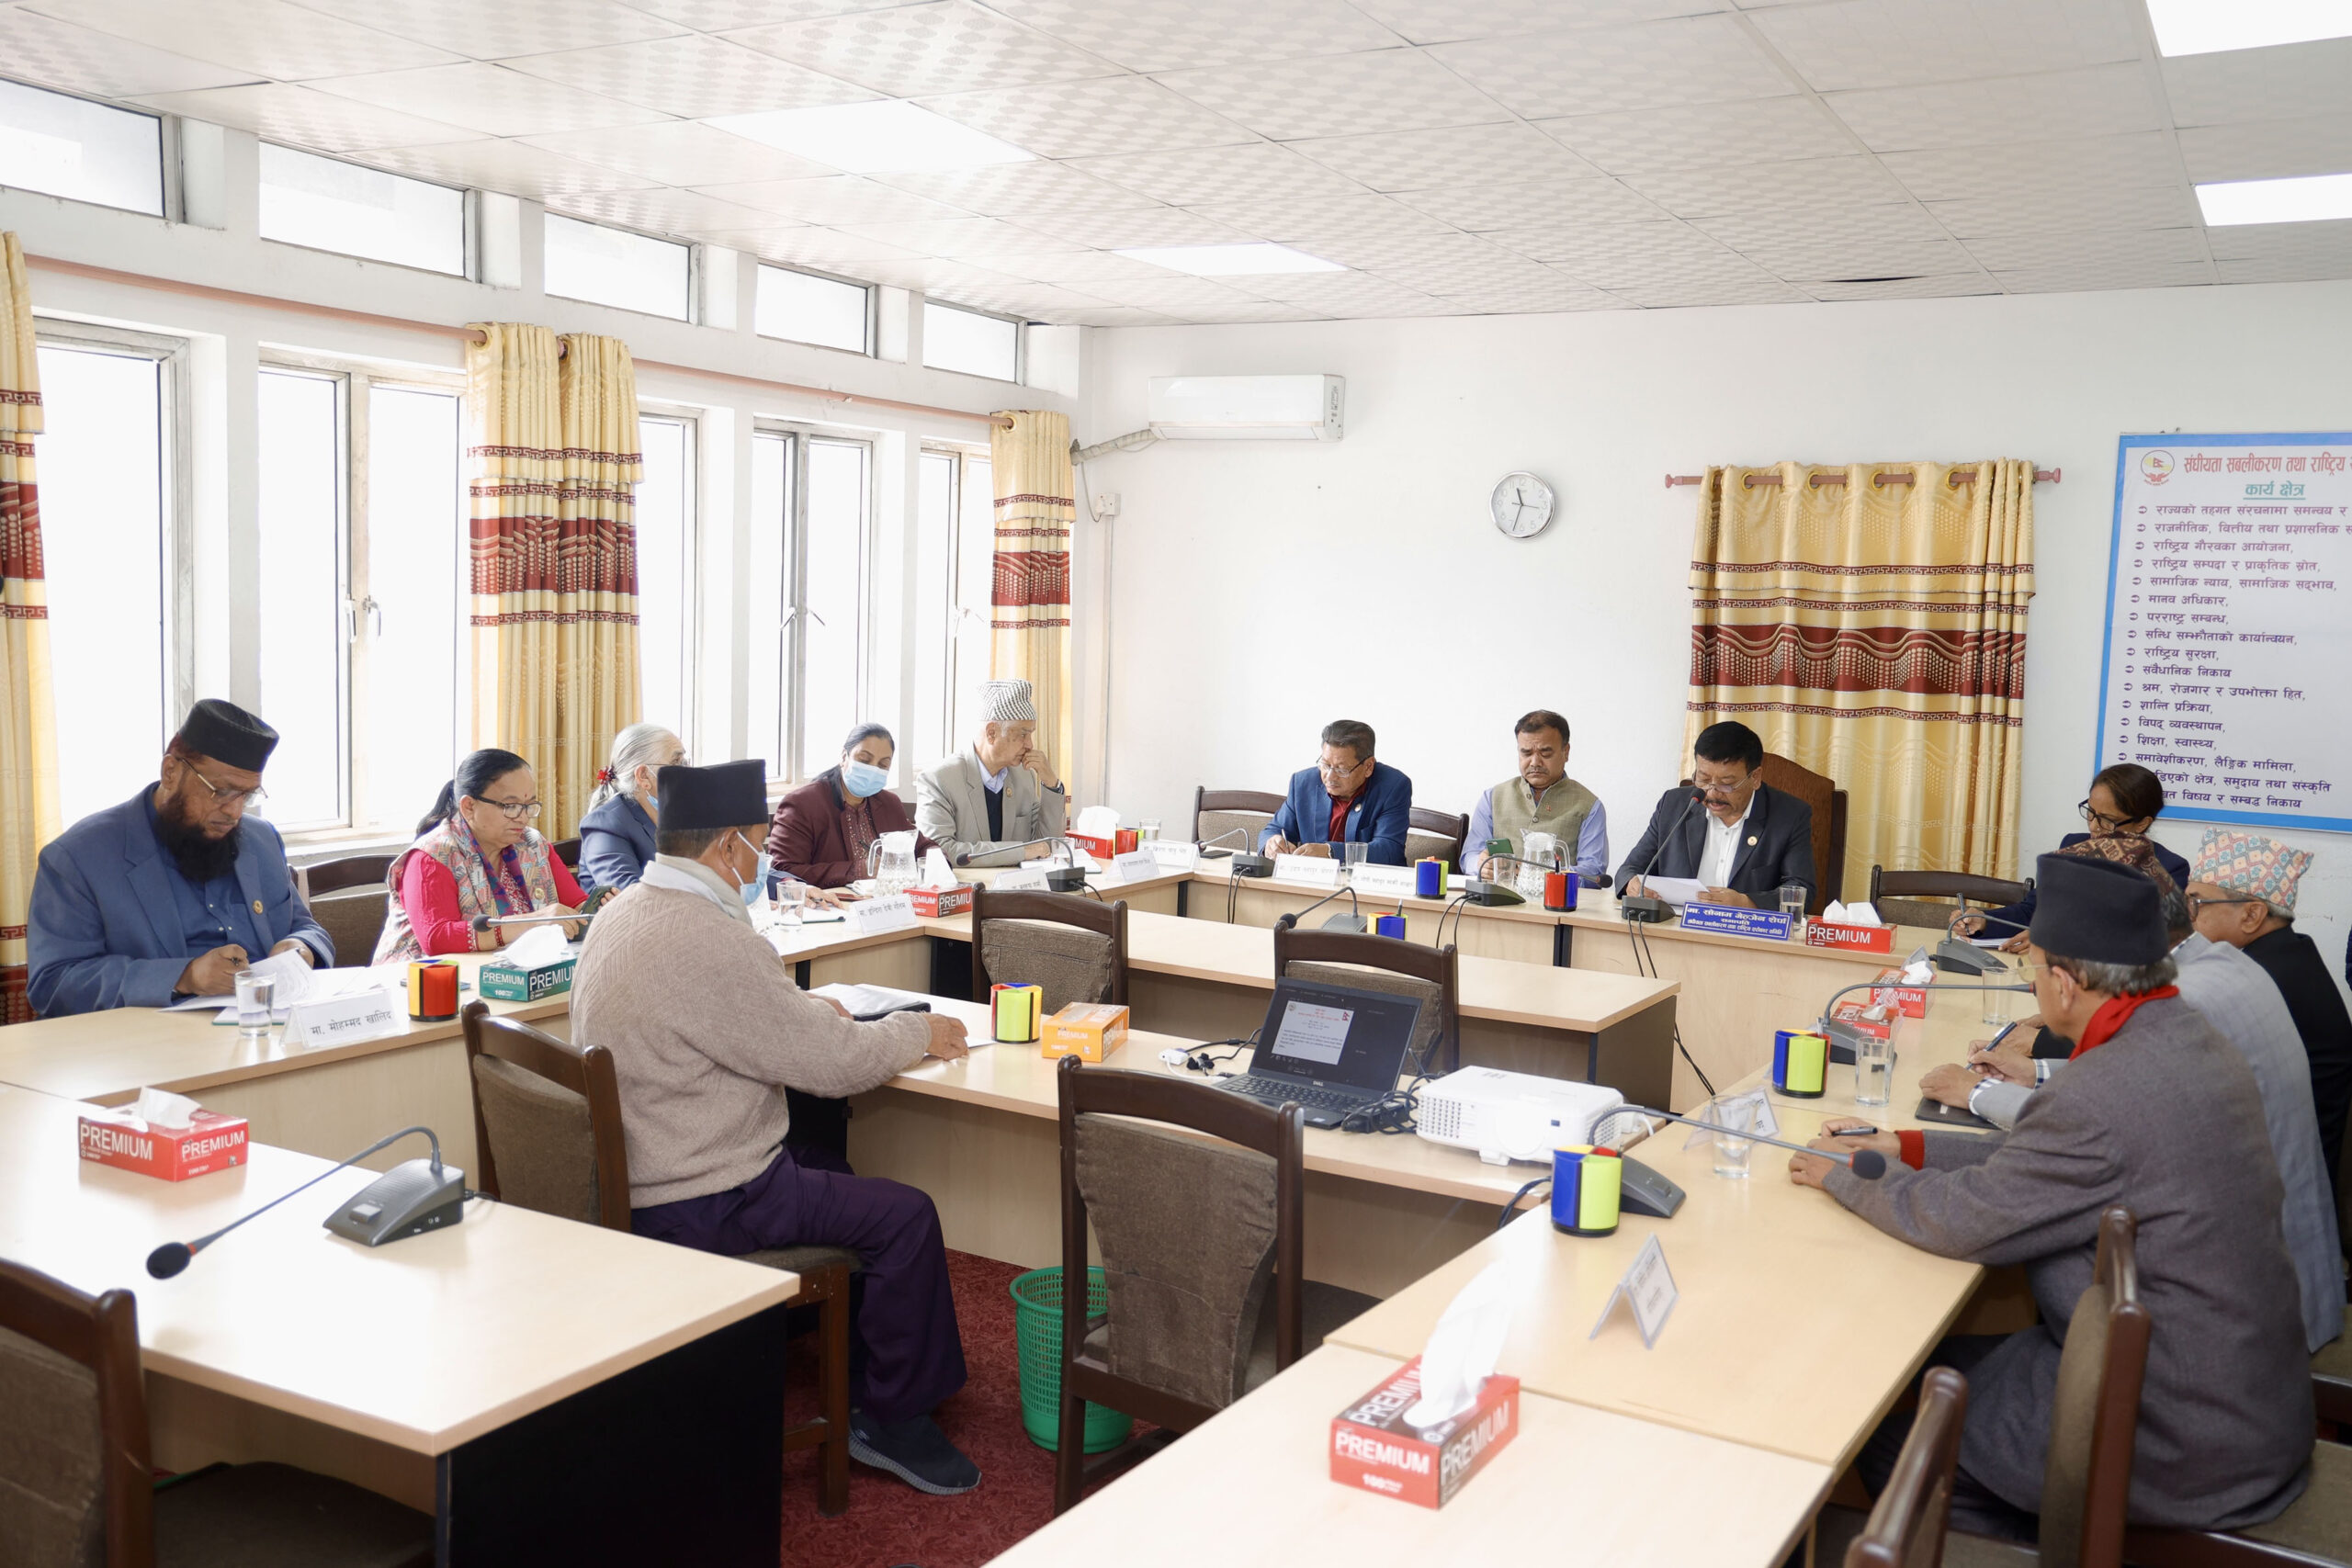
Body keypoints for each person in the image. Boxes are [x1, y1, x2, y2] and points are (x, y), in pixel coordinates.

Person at [1791, 852, 2312, 1540]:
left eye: (2034, 967)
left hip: (2173, 1429)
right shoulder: (2187, 1037)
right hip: (2240, 1394)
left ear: (2064, 984)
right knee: (1922, 1367)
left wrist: (1848, 1172)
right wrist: (1905, 1145)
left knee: (1879, 1420)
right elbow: (2057, 1163)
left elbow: (1964, 1219)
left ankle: (2047, 1543)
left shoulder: (2102, 1088)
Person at [572, 760, 980, 1495]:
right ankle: (891, 1418)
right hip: (709, 1195)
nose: (763, 860)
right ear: (728, 845)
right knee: (908, 1216)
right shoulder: (712, 938)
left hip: (638, 1172)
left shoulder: (620, 913)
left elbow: (716, 1019)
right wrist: (917, 1030)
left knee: (833, 1165)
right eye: (760, 844)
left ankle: (825, 1350)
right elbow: (836, 1064)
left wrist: (799, 1014)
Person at [1925, 860, 2341, 1352]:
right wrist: (2033, 1072)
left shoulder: (2189, 997)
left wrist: (1975, 1093)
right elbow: (2129, 1089)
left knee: (2038, 1245)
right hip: (2274, 1271)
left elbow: (2092, 1122)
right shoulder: (2225, 964)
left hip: (2236, 1319)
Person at [28, 699, 332, 1015]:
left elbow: (304, 927)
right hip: (152, 1037)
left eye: (247, 795)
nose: (234, 812)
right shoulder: (78, 858)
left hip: (266, 1026)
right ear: (170, 772)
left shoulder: (261, 839)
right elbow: (53, 983)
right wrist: (185, 977)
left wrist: (302, 948)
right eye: (221, 792)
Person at [2188, 828, 2352, 1188]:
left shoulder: (2259, 976)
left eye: (2197, 904)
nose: (2188, 917)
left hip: (2282, 1180)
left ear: (2252, 915)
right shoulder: (2288, 953)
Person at [374, 749, 587, 963]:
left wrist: (599, 908)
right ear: (469, 806)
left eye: (529, 805)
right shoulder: (432, 856)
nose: (523, 818)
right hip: (424, 976)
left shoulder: (532, 843)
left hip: (512, 970)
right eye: (511, 806)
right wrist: (533, 922)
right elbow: (437, 938)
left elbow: (577, 905)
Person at [1957, 762, 2190, 953]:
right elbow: (2034, 910)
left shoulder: (2169, 868)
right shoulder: (2073, 847)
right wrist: (1985, 920)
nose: (2094, 827)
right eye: (2091, 813)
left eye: (2107, 820)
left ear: (2142, 823)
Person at [1614, 721, 1812, 908]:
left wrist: (1745, 903)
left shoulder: (1789, 815)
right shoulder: (1674, 805)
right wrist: (1632, 885)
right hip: (1675, 925)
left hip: (1744, 928)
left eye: (1726, 784)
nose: (1712, 793)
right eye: (1703, 779)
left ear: (1755, 777)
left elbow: (1802, 890)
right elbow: (1629, 870)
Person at [915, 678, 1067, 865]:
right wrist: (1020, 851)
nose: (1030, 744)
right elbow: (939, 852)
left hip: (1016, 882)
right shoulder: (938, 780)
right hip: (966, 884)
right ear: (992, 733)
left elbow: (1047, 845)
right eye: (1023, 734)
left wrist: (1051, 783)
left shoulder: (1023, 775)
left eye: (1031, 734)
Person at [770, 722, 938, 888]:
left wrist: (934, 865)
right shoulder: (802, 804)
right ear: (844, 757)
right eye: (864, 760)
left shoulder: (889, 803)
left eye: (882, 765)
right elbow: (783, 871)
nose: (873, 770)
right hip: (831, 901)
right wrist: (857, 871)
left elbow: (924, 847)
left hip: (886, 899)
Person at [1462, 709, 1608, 884]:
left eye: (1545, 753)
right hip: (1495, 897)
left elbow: (1593, 873)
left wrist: (1537, 875)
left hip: (1557, 899)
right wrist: (1481, 865)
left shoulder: (1589, 806)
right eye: (1526, 753)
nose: (1535, 762)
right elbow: (1469, 856)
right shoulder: (1493, 797)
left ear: (1566, 752)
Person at [1259, 718, 1413, 865]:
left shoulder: (1393, 786)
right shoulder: (1303, 783)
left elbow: (1388, 849)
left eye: (1341, 769)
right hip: (1313, 880)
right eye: (1325, 765)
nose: (1330, 776)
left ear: (1368, 766)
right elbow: (1274, 830)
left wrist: (1330, 852)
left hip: (1370, 881)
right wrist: (1271, 843)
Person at [577, 722, 684, 892]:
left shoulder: (680, 814)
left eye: (685, 761)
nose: (687, 771)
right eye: (676, 762)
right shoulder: (604, 824)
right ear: (644, 776)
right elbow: (631, 896)